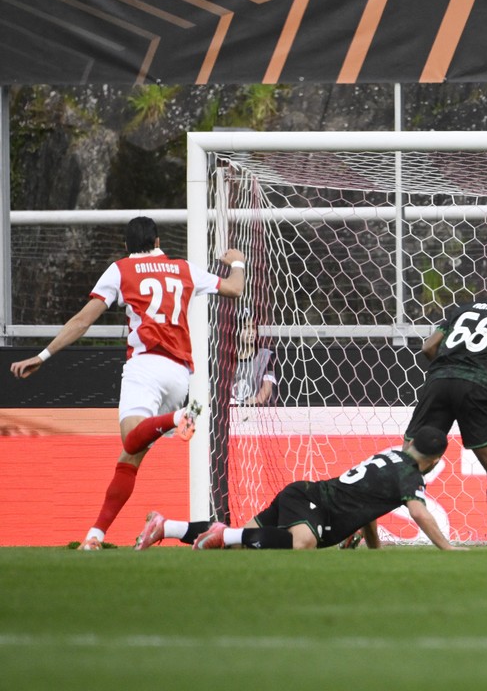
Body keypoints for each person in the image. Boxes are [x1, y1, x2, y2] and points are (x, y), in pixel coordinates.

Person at [9, 216, 245, 550]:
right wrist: (237, 261)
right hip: (179, 376)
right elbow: (235, 288)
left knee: (130, 440)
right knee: (129, 458)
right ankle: (96, 535)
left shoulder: (121, 269)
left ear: (125, 246)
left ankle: (177, 419)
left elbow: (82, 320)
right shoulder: (183, 268)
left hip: (145, 366)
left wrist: (43, 356)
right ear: (159, 242)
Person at [134, 426, 454, 550]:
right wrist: (448, 549)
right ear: (436, 459)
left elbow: (368, 510)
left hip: (304, 494)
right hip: (314, 503)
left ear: (410, 443)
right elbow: (419, 513)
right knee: (302, 544)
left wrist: (375, 551)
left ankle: (166, 526)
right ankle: (223, 534)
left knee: (239, 544)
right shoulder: (410, 476)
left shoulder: (390, 457)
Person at [401, 267, 487, 549]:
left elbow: (428, 348)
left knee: (407, 464)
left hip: (437, 384)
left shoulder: (461, 309)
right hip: (475, 389)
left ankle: (364, 518)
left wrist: (450, 368)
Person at [230, 317, 276, 407]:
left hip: (257, 411)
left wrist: (255, 400)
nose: (250, 332)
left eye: (253, 328)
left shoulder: (267, 356)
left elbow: (266, 389)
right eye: (246, 327)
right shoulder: (225, 360)